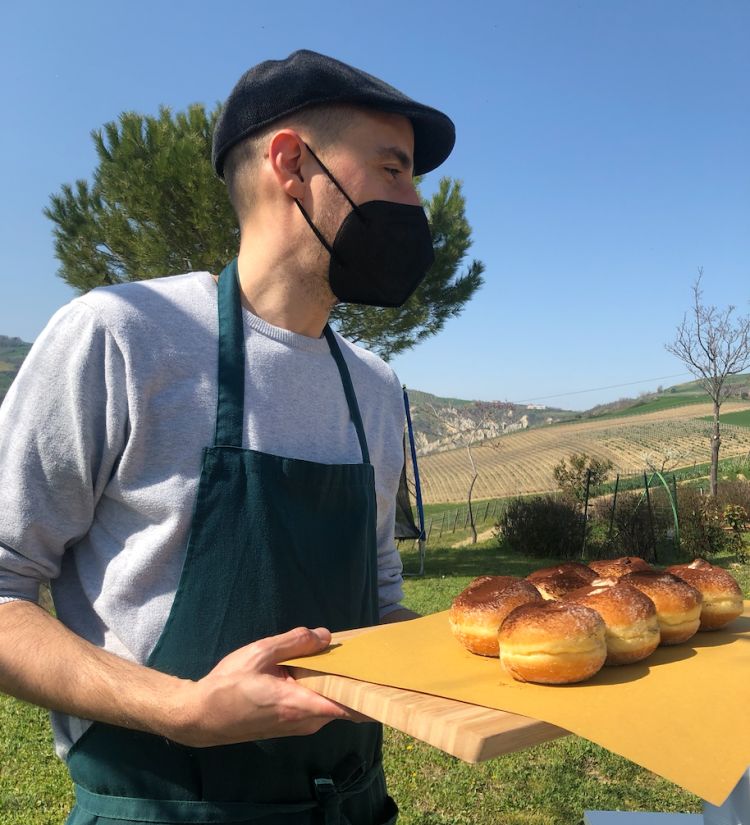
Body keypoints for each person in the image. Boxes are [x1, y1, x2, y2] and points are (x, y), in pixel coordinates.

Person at [0, 50, 455, 824]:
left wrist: (486, 652)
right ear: (291, 163)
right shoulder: (121, 335)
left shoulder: (375, 387)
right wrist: (182, 709)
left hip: (352, 804)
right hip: (158, 809)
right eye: (394, 170)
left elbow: (378, 602)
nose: (415, 204)